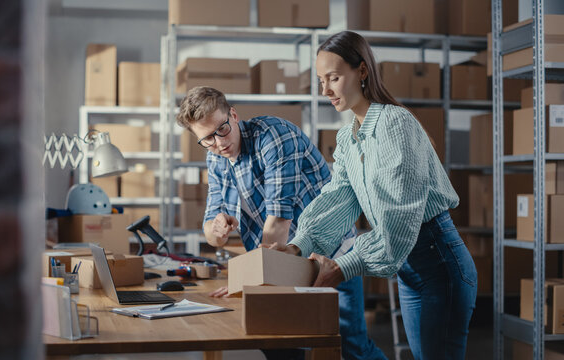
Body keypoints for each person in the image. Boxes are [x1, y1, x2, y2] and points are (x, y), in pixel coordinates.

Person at [263, 30, 478, 359]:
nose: (325, 90)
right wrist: (298, 245)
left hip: (439, 264)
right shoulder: (349, 137)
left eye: (333, 78)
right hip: (410, 269)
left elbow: (397, 222)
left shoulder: (395, 124)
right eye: (321, 80)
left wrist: (343, 266)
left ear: (361, 71)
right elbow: (338, 199)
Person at [176, 86, 387, 360]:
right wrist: (216, 229)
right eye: (207, 139)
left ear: (234, 115)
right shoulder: (216, 159)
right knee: (277, 343)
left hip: (330, 254)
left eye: (222, 129)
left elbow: (278, 224)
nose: (219, 143)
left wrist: (248, 278)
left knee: (350, 345)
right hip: (280, 260)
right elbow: (211, 235)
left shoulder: (273, 137)